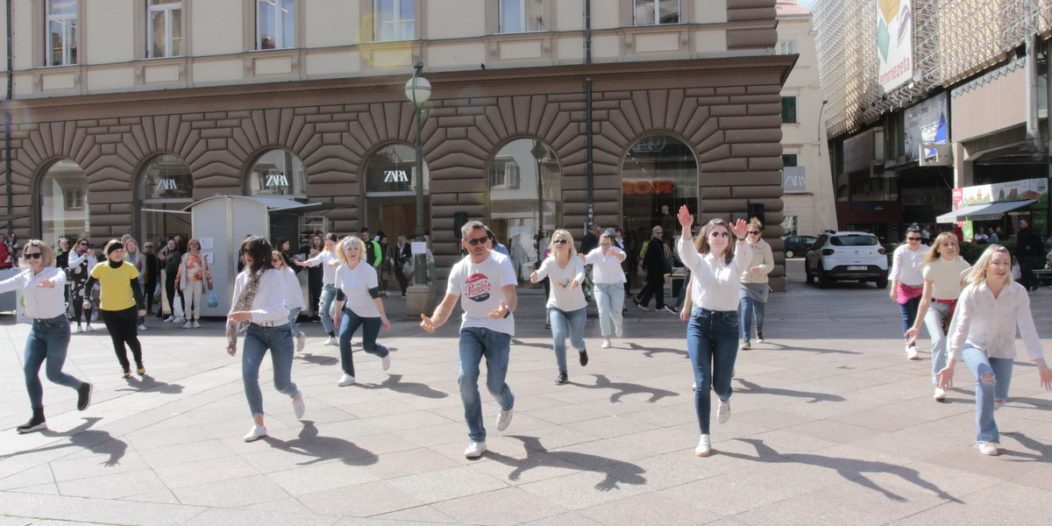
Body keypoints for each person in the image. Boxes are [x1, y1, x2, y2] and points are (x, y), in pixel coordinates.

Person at [937, 244, 1052, 456]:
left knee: (998, 399)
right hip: (973, 344)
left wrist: (1042, 365)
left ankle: (990, 409)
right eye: (996, 263)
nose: (1001, 267)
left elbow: (1027, 328)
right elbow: (961, 329)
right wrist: (950, 364)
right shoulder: (972, 292)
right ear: (986, 265)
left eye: (1006, 263)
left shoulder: (1018, 292)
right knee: (986, 377)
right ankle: (986, 437)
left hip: (1003, 348)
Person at [420, 220, 517, 459]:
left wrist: (504, 310)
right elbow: (447, 304)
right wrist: (434, 321)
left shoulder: (501, 261)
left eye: (483, 239)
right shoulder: (459, 269)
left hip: (499, 327)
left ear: (489, 240)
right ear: (464, 243)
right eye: (474, 241)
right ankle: (477, 438)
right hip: (471, 327)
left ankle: (507, 403)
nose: (480, 244)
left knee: (494, 385)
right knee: (465, 378)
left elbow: (510, 295)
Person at [675, 207, 752, 457]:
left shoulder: (735, 262)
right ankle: (704, 436)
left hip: (727, 326)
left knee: (721, 384)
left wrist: (742, 238)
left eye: (724, 234)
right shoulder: (700, 261)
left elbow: (745, 257)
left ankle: (725, 397)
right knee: (701, 383)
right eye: (714, 233)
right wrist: (686, 228)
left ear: (729, 240)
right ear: (707, 238)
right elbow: (686, 252)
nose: (719, 237)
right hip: (699, 323)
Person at [1, 240, 93, 433]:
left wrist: (51, 283)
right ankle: (38, 417)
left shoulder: (55, 272)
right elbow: (4, 285)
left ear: (45, 255)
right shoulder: (25, 276)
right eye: (28, 256)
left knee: (54, 375)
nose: (32, 259)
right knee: (29, 371)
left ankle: (81, 387)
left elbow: (59, 279)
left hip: (57, 329)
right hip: (37, 329)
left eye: (36, 255)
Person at [226, 236, 306, 442]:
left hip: (279, 332)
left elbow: (278, 310)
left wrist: (248, 315)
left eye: (251, 251)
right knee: (248, 374)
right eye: (245, 251)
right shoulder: (242, 278)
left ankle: (295, 393)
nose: (247, 256)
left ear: (262, 254)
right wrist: (231, 337)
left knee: (281, 384)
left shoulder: (274, 276)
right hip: (255, 332)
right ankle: (259, 425)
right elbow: (235, 310)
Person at [905, 233, 971, 402]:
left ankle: (947, 371)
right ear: (939, 248)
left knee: (952, 345)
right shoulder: (931, 267)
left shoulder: (964, 266)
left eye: (953, 244)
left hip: (954, 307)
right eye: (946, 244)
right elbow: (925, 299)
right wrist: (916, 326)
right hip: (933, 307)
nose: (950, 247)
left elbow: (968, 293)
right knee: (938, 340)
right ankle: (939, 383)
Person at [332, 236, 393, 386]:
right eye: (349, 249)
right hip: (352, 309)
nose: (352, 251)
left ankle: (384, 352)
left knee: (368, 347)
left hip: (372, 313)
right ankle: (348, 374)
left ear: (360, 251)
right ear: (343, 252)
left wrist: (383, 317)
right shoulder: (340, 270)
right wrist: (337, 313)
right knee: (343, 337)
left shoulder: (368, 270)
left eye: (356, 248)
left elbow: (375, 296)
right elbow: (339, 295)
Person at [531, 229, 588, 385]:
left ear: (569, 244)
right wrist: (535, 277)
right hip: (557, 307)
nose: (559, 243)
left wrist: (577, 281)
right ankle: (563, 372)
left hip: (577, 308)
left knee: (575, 341)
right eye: (556, 241)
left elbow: (581, 273)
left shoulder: (576, 260)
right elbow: (540, 273)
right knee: (558, 337)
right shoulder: (550, 261)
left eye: (563, 241)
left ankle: (582, 348)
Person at [83, 240, 147, 378]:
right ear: (109, 253)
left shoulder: (129, 267)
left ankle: (139, 364)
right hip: (108, 310)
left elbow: (136, 289)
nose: (119, 254)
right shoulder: (100, 267)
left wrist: (141, 307)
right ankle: (125, 368)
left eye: (121, 251)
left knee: (131, 338)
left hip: (128, 309)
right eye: (116, 251)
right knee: (117, 340)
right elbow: (88, 285)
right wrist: (86, 299)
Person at [582, 230, 627, 349]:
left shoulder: (616, 250)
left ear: (612, 242)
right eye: (602, 244)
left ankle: (618, 324)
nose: (605, 246)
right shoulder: (596, 253)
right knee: (603, 312)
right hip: (600, 287)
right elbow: (586, 259)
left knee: (616, 312)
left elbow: (623, 257)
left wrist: (615, 254)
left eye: (607, 244)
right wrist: (581, 257)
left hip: (616, 287)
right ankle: (606, 339)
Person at [889, 225, 926, 360]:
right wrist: (893, 288)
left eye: (917, 238)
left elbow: (932, 269)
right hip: (904, 287)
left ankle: (911, 339)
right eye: (911, 238)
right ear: (906, 238)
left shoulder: (927, 250)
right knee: (908, 317)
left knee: (917, 317)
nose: (914, 241)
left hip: (921, 288)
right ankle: (911, 346)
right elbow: (896, 270)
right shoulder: (900, 251)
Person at [297, 233, 340, 345]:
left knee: (333, 311)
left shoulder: (342, 253)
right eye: (327, 244)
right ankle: (332, 336)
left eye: (331, 244)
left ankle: (345, 332)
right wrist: (303, 263)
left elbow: (344, 262)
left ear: (336, 242)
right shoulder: (324, 253)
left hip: (340, 287)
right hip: (327, 286)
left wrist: (335, 263)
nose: (329, 246)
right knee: (322, 312)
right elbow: (314, 261)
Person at [738, 218, 773, 350]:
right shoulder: (742, 244)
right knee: (745, 309)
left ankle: (759, 331)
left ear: (760, 234)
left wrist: (759, 268)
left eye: (755, 232)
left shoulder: (765, 247)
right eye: (750, 232)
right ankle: (746, 340)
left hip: (760, 284)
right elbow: (736, 259)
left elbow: (770, 265)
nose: (752, 235)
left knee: (759, 314)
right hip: (745, 282)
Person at [272, 250, 307, 352]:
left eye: (275, 260)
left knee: (287, 324)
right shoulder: (272, 273)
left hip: (293, 303)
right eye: (270, 260)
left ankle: (290, 344)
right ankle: (299, 336)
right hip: (282, 304)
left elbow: (291, 289)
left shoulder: (288, 272)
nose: (273, 263)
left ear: (281, 261)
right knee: (287, 324)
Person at [634, 225, 674, 314]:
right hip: (654, 271)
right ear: (653, 233)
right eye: (657, 233)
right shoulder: (653, 243)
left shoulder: (659, 242)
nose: (659, 234)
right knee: (658, 289)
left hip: (657, 270)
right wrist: (645, 267)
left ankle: (644, 304)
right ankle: (658, 306)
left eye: (661, 233)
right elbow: (648, 257)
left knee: (653, 288)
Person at [175, 238, 212, 329]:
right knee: (187, 302)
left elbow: (207, 270)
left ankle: (196, 320)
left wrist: (209, 280)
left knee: (197, 302)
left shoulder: (202, 257)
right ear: (189, 246)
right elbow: (180, 269)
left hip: (198, 282)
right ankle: (188, 320)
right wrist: (177, 280)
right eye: (192, 244)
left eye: (196, 244)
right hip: (187, 282)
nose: (194, 245)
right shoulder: (185, 256)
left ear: (198, 246)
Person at [67, 238, 97, 333]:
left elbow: (95, 267)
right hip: (76, 282)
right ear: (78, 244)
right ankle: (79, 324)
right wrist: (84, 256)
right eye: (83, 244)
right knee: (77, 303)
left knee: (88, 302)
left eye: (86, 244)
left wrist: (93, 256)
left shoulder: (89, 254)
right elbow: (72, 264)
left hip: (87, 281)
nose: (85, 246)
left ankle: (88, 324)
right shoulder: (73, 253)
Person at [123, 237, 148, 330]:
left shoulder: (141, 256)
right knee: (128, 302)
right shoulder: (123, 257)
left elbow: (143, 269)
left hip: (139, 282)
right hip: (127, 282)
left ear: (136, 246)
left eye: (133, 245)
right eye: (129, 245)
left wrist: (138, 276)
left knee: (140, 302)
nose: (131, 247)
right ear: (126, 247)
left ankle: (140, 322)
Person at [1014, 218, 1044, 291]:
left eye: (1022, 223)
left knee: (1025, 269)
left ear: (1026, 224)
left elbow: (1037, 240)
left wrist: (1029, 246)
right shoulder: (1020, 232)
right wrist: (1015, 253)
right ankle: (1026, 285)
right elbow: (1018, 244)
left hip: (1028, 255)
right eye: (1020, 223)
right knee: (1023, 270)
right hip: (1020, 254)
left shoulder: (1031, 232)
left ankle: (1035, 281)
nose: (1021, 224)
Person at [162, 238, 184, 324]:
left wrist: (164, 260)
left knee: (176, 296)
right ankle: (172, 314)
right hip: (168, 276)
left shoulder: (177, 253)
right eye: (169, 244)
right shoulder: (168, 253)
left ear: (175, 245)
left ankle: (179, 315)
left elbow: (174, 265)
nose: (171, 245)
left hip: (174, 276)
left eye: (173, 244)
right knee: (169, 295)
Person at [304, 234, 324, 319]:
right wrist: (311, 255)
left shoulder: (324, 250)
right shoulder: (309, 250)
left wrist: (317, 253)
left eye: (318, 239)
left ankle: (323, 312)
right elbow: (309, 262)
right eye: (315, 240)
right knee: (315, 294)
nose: (316, 241)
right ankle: (316, 312)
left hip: (322, 273)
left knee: (322, 294)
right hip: (313, 274)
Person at [142, 240, 160, 320]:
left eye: (150, 247)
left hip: (152, 278)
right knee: (142, 294)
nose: (148, 248)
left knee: (151, 294)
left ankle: (149, 309)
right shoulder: (141, 256)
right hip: (144, 278)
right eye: (147, 247)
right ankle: (142, 309)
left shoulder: (154, 257)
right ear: (144, 248)